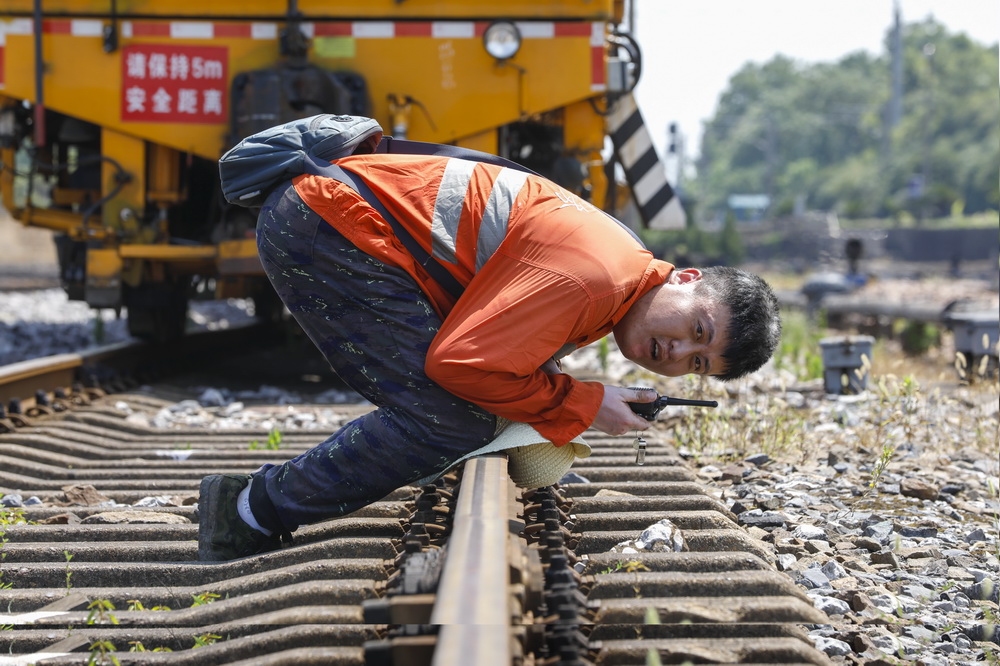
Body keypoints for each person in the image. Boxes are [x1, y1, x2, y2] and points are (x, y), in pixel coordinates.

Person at [198, 151, 781, 561]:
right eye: (697, 327)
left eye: (697, 363)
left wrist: (568, 398)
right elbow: (461, 365)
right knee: (451, 415)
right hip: (332, 222)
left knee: (464, 409)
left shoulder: (615, 276)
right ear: (686, 276)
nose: (678, 350)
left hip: (332, 215)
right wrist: (581, 402)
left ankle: (259, 505)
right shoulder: (596, 281)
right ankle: (250, 512)